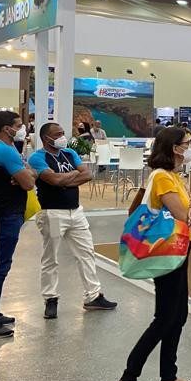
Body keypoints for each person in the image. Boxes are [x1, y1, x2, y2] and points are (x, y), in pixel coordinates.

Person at [118, 127, 191, 381]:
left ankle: (169, 376)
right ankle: (129, 377)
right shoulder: (163, 177)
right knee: (165, 317)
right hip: (165, 251)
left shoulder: (174, 175)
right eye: (187, 143)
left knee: (178, 315)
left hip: (179, 248)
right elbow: (183, 215)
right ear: (175, 149)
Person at [28, 122, 117, 320]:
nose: (62, 137)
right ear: (46, 138)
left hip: (76, 212)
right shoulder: (37, 158)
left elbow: (88, 174)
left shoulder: (69, 153)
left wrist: (64, 179)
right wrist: (71, 176)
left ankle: (93, 296)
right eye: (57, 134)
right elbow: (54, 180)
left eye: (62, 133)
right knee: (51, 257)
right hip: (52, 213)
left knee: (86, 253)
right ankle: (50, 298)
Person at [0, 110, 36, 338]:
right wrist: (26, 176)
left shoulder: (6, 147)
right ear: (6, 128)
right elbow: (29, 183)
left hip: (7, 211)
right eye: (19, 125)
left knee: (2, 264)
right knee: (0, 265)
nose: (22, 129)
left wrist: (26, 174)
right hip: (5, 213)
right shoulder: (4, 149)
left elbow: (29, 174)